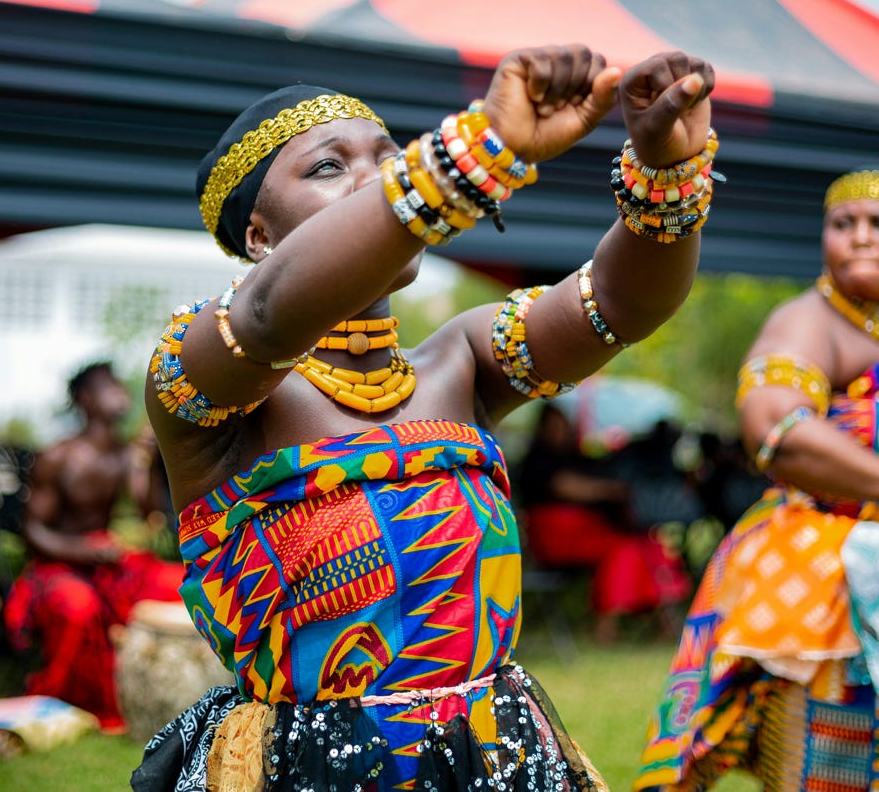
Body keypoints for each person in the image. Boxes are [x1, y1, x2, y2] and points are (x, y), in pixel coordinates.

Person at [131, 43, 719, 792]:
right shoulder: (206, 372)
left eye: (387, 157)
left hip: (493, 754)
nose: (374, 179)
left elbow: (618, 306)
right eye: (327, 167)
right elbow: (271, 313)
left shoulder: (463, 361)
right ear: (257, 236)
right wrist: (476, 151)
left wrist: (666, 171)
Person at [635, 169, 879, 791]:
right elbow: (777, 427)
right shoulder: (810, 320)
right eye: (843, 224)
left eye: (877, 224)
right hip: (819, 568)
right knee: (825, 763)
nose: (859, 238)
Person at [4, 361, 184, 734]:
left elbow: (148, 512)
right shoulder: (59, 456)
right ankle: (69, 700)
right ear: (86, 400)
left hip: (104, 561)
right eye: (110, 387)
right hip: (58, 565)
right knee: (78, 606)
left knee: (177, 582)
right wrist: (86, 552)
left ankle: (174, 691)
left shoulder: (125, 454)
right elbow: (32, 532)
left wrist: (148, 463)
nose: (121, 392)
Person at [515, 403, 691, 643]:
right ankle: (606, 628)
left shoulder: (577, 456)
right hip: (556, 536)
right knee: (621, 548)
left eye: (564, 423)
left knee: (647, 543)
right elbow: (567, 487)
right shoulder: (538, 460)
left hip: (588, 530)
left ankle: (665, 623)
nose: (560, 429)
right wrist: (612, 490)